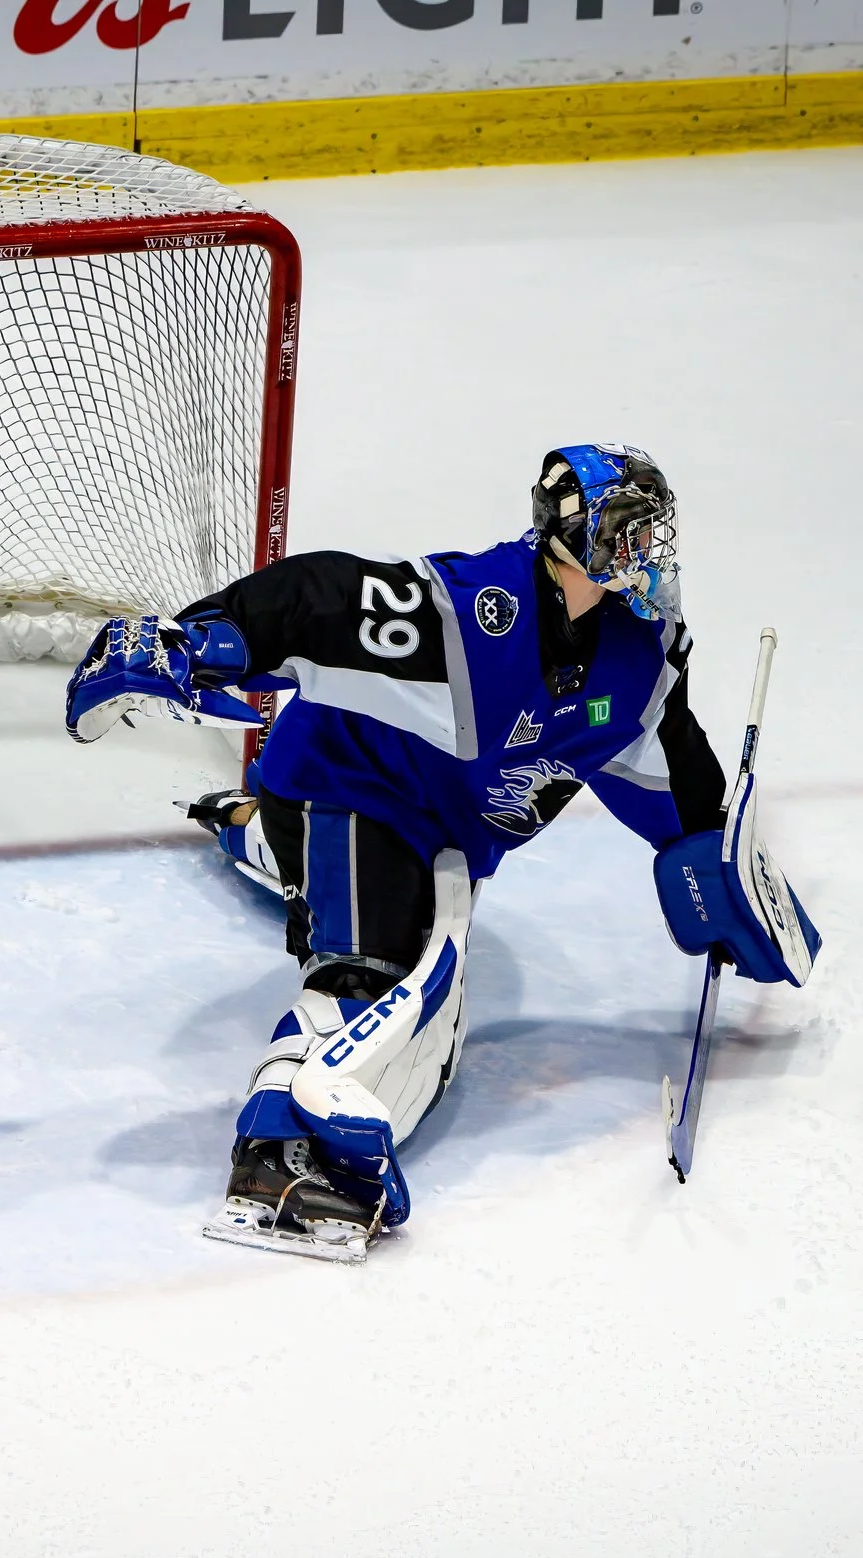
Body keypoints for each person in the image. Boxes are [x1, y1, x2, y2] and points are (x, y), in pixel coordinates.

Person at [64, 446, 820, 1260]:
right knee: (369, 983)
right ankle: (277, 1153)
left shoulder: (639, 653)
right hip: (350, 787)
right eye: (628, 536)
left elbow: (665, 761)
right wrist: (190, 642)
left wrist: (715, 857)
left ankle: (242, 828)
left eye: (651, 535)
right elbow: (319, 598)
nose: (647, 556)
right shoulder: (475, 615)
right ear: (577, 540)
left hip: (443, 834)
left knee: (431, 1001)